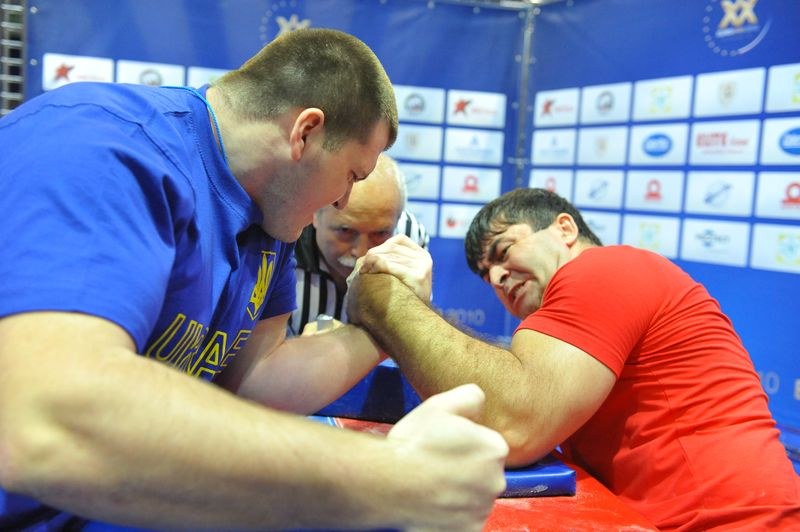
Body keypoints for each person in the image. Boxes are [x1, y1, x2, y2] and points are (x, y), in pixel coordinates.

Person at [0, 28, 508, 531]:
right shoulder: (102, 146)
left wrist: (382, 323)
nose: (341, 203)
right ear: (305, 133)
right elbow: (49, 420)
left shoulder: (271, 213)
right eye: (352, 175)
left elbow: (254, 381)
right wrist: (390, 476)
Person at [345, 187, 800, 530]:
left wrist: (381, 298)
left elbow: (515, 423)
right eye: (488, 276)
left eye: (503, 251)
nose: (499, 277)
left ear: (564, 229)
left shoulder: (603, 269)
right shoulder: (578, 324)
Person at [290, 153, 429, 335]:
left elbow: (412, 335)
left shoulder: (409, 239)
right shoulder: (284, 241)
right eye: (345, 231)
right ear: (315, 213)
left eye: (380, 233)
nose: (362, 253)